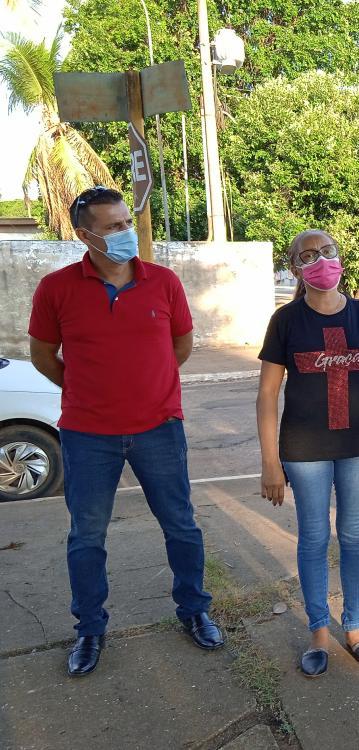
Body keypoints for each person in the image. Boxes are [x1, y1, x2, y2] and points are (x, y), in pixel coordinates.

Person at [28, 186, 223, 677]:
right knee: (86, 536)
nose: (124, 233)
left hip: (159, 428)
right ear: (84, 235)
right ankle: (90, 629)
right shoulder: (56, 288)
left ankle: (194, 610)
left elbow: (181, 346)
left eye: (125, 223)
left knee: (181, 525)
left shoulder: (163, 282)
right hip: (87, 434)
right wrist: (86, 388)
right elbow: (41, 354)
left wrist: (148, 389)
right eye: (112, 227)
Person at [256, 229, 359, 678]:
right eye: (308, 255)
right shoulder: (285, 321)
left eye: (327, 251)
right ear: (296, 267)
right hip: (305, 449)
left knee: (356, 537)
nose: (321, 260)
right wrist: (269, 462)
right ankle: (319, 630)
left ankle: (355, 627)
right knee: (315, 538)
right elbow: (267, 395)